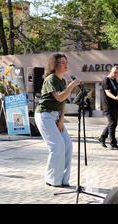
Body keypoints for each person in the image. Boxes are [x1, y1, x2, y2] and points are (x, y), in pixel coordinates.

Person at [34, 53, 80, 188]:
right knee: (57, 147)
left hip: (56, 117)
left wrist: (61, 120)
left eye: (66, 62)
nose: (65, 65)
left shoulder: (62, 81)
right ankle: (52, 179)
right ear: (54, 65)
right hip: (44, 115)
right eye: (62, 62)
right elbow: (59, 97)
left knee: (68, 146)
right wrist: (72, 85)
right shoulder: (51, 79)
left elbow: (62, 103)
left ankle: (63, 180)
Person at [98, 65, 118, 150]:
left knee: (112, 123)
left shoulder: (114, 80)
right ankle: (113, 144)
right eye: (115, 72)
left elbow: (114, 91)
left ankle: (102, 137)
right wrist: (115, 97)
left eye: (117, 73)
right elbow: (107, 92)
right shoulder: (106, 80)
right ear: (111, 71)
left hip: (114, 105)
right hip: (108, 106)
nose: (116, 74)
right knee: (112, 123)